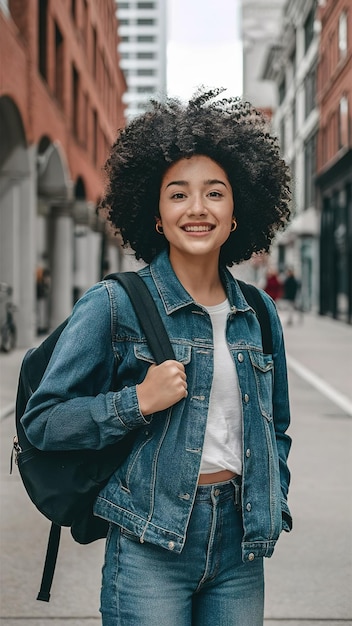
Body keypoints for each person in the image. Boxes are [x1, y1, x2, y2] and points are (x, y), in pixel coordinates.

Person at [22, 88, 293, 626]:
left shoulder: (259, 313)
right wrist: (136, 401)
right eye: (178, 194)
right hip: (149, 541)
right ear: (156, 212)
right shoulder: (114, 304)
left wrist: (272, 495)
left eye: (214, 193)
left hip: (240, 546)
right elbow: (43, 422)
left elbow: (277, 426)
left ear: (237, 211)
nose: (197, 209)